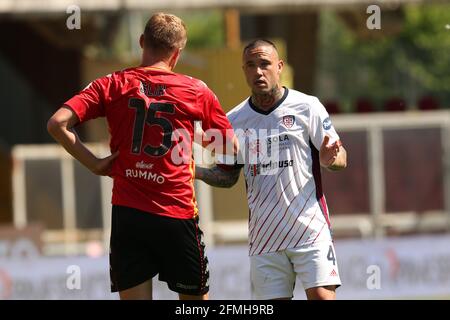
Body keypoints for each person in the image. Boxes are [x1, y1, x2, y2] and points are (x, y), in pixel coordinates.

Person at [47, 13, 235, 300]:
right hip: (177, 214)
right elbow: (230, 147)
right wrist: (191, 135)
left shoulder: (111, 84)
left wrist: (94, 164)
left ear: (142, 41)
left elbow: (57, 123)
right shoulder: (196, 90)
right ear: (177, 53)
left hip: (128, 215)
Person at [196, 39, 347, 300]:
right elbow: (227, 176)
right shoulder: (233, 121)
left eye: (264, 64)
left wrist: (328, 159)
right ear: (243, 70)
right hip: (265, 240)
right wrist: (195, 170)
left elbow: (340, 157)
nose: (258, 72)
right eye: (250, 65)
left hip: (310, 231)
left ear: (279, 66)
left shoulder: (307, 106)